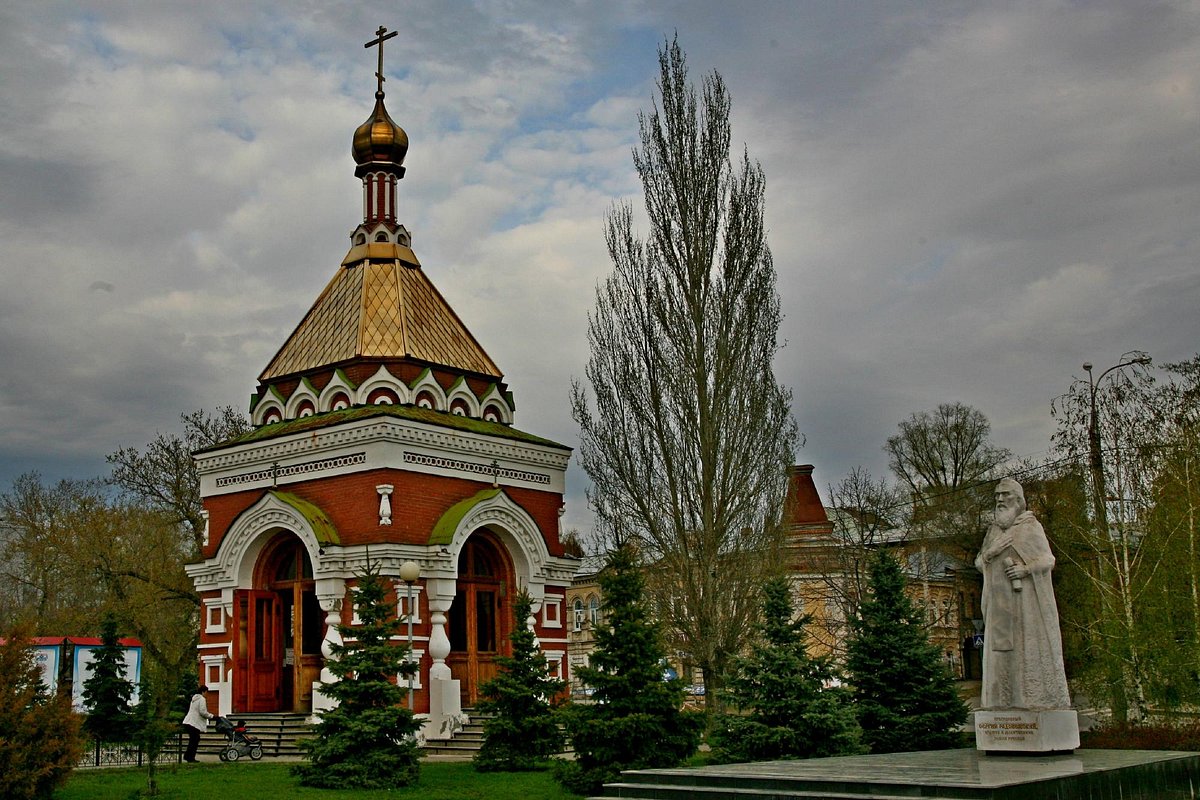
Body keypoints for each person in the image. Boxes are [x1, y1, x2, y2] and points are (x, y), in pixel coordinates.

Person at [975, 478, 1071, 709]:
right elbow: (979, 562)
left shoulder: (1030, 527)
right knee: (1002, 655)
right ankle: (1003, 702)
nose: (999, 499)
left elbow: (1048, 560)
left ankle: (1031, 700)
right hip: (999, 607)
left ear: (1018, 499)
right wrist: (991, 552)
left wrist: (1025, 570)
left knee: (1026, 651)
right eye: (997, 495)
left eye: (1005, 494)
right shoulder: (993, 532)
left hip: (1026, 607)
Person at [182, 685, 214, 762]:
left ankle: (188, 755)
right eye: (206, 692)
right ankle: (190, 757)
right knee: (195, 739)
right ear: (203, 692)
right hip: (194, 723)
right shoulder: (202, 699)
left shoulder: (194, 699)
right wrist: (211, 716)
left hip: (188, 721)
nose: (207, 694)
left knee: (193, 739)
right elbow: (202, 711)